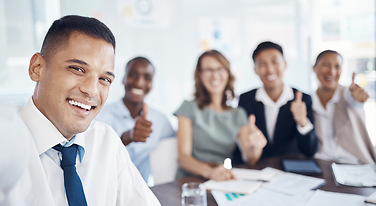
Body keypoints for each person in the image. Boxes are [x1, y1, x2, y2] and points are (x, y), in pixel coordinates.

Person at [0, 15, 176, 206]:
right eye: (77, 69)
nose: (92, 90)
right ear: (37, 68)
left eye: (104, 79)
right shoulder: (5, 146)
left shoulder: (105, 142)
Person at [174, 50, 267, 180]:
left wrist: (256, 147)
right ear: (200, 75)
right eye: (208, 70)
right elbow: (183, 158)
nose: (215, 76)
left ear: (228, 73)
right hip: (191, 179)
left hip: (221, 179)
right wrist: (209, 172)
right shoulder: (188, 108)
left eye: (220, 69)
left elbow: (249, 158)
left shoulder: (238, 114)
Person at [234, 41, 318, 165]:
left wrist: (302, 122)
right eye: (262, 64)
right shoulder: (245, 99)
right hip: (259, 169)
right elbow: (241, 151)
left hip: (292, 171)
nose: (270, 69)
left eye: (275, 62)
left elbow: (310, 151)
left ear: (285, 64)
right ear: (255, 70)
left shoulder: (303, 99)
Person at [97, 57, 175, 184]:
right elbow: (94, 156)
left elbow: (175, 146)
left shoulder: (160, 120)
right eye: (133, 75)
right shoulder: (100, 116)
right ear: (123, 79)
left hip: (143, 191)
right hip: (106, 189)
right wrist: (127, 137)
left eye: (147, 77)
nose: (139, 83)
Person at [312, 50, 376, 164]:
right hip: (320, 161)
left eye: (337, 66)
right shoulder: (309, 100)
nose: (331, 71)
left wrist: (358, 98)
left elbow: (355, 102)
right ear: (314, 68)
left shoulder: (348, 94)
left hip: (351, 162)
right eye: (326, 65)